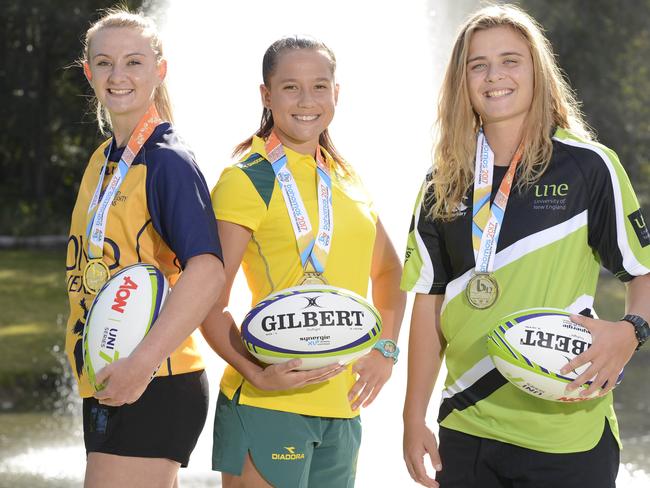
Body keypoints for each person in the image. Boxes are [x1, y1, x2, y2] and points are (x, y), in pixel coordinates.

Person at [401, 4, 650, 488]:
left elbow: (642, 272)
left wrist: (631, 330)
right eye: (478, 64)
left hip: (566, 429)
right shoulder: (442, 183)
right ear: (461, 80)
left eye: (510, 60)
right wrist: (413, 418)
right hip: (467, 424)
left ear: (537, 70)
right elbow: (429, 303)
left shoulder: (589, 166)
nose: (495, 75)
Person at [200, 36, 406, 488]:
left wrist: (386, 350)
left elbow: (391, 272)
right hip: (267, 404)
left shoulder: (347, 178)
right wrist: (258, 375)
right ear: (266, 96)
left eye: (319, 86)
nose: (307, 100)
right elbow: (206, 301)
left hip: (342, 408)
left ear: (337, 93)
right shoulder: (245, 178)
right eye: (290, 87)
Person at [65, 8, 224, 487]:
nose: (118, 76)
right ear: (88, 70)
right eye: (105, 63)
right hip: (114, 377)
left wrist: (141, 364)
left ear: (160, 68)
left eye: (133, 62)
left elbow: (208, 272)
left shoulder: (167, 160)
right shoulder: (103, 157)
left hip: (154, 379)